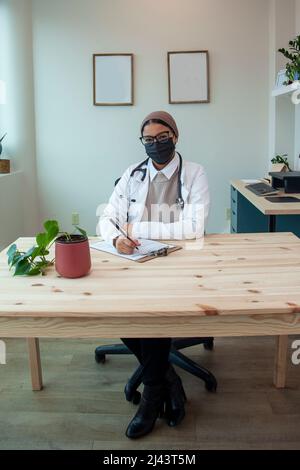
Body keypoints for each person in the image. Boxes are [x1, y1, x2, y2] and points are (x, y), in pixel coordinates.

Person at [98, 111, 210, 439]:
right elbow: (107, 218)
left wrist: (136, 227)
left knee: (154, 314)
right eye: (149, 140)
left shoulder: (194, 173)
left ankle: (151, 396)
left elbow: (193, 228)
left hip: (178, 264)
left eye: (163, 138)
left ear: (175, 136)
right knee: (114, 311)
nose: (156, 144)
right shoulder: (132, 173)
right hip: (135, 260)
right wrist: (116, 237)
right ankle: (168, 380)